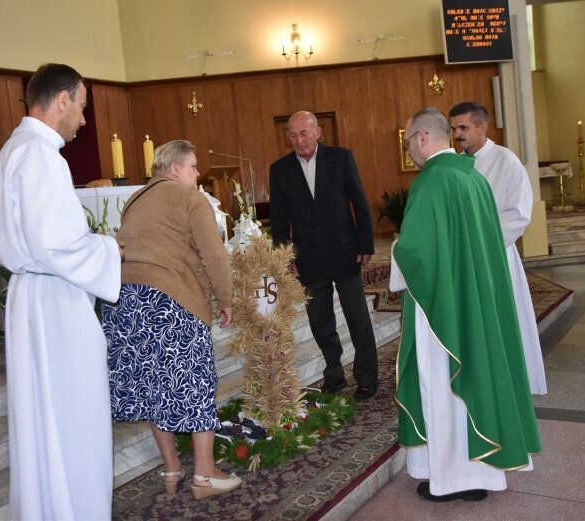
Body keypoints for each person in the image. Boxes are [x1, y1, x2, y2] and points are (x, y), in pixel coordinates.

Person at [0, 63, 122, 520]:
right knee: (74, 416)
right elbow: (55, 244)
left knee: (44, 418)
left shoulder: (15, 148)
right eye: (81, 107)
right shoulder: (42, 155)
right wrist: (109, 248)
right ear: (61, 99)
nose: (83, 120)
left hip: (36, 297)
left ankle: (51, 507)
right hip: (55, 301)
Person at [394, 108, 541, 502]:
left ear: (423, 137)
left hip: (442, 308)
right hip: (473, 299)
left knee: (442, 383)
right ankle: (480, 476)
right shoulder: (471, 175)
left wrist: (394, 251)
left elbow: (416, 252)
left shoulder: (431, 182)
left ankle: (449, 480)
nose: (408, 149)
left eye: (408, 140)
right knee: (476, 377)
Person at [102, 139, 242, 500]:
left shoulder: (134, 199)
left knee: (153, 388)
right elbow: (214, 255)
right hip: (171, 300)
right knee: (194, 384)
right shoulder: (190, 198)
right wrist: (226, 299)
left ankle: (171, 469)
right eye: (194, 167)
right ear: (176, 168)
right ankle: (206, 477)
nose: (198, 175)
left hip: (125, 303)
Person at [269, 111, 378, 400]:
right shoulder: (279, 170)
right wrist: (285, 257)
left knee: (358, 319)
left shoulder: (341, 158)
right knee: (320, 322)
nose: (299, 140)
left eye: (304, 133)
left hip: (345, 252)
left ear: (318, 132)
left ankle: (367, 378)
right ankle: (334, 375)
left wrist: (365, 244)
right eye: (292, 135)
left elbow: (360, 202)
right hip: (309, 259)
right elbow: (279, 221)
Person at [449, 101, 547, 395]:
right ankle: (480, 381)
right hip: (464, 259)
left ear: (482, 126)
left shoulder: (506, 161)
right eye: (454, 129)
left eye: (463, 128)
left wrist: (479, 242)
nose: (457, 134)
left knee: (504, 320)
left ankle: (512, 382)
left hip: (495, 257)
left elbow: (519, 214)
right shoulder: (455, 165)